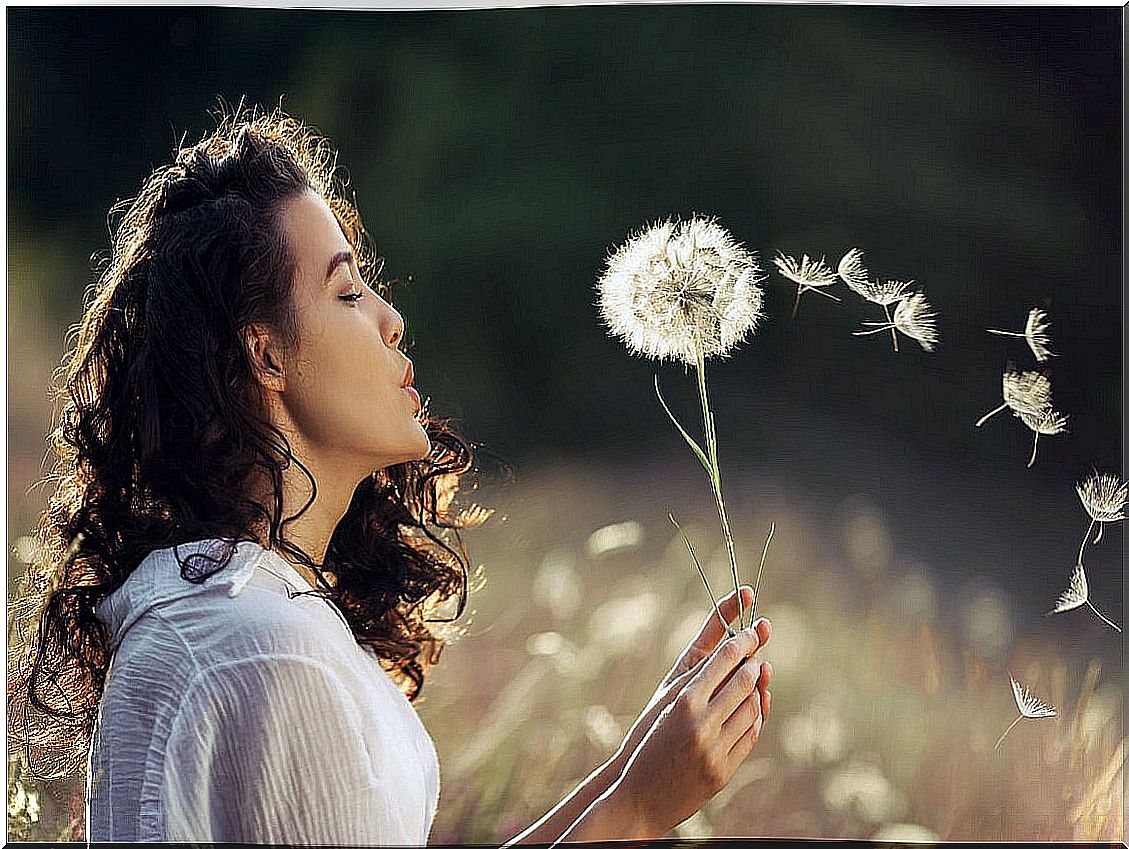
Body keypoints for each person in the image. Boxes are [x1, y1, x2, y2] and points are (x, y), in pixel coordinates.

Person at [8, 102, 774, 845]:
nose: (389, 318)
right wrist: (636, 811)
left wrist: (621, 775)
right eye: (345, 291)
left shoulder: (234, 608)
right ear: (266, 354)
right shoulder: (268, 650)